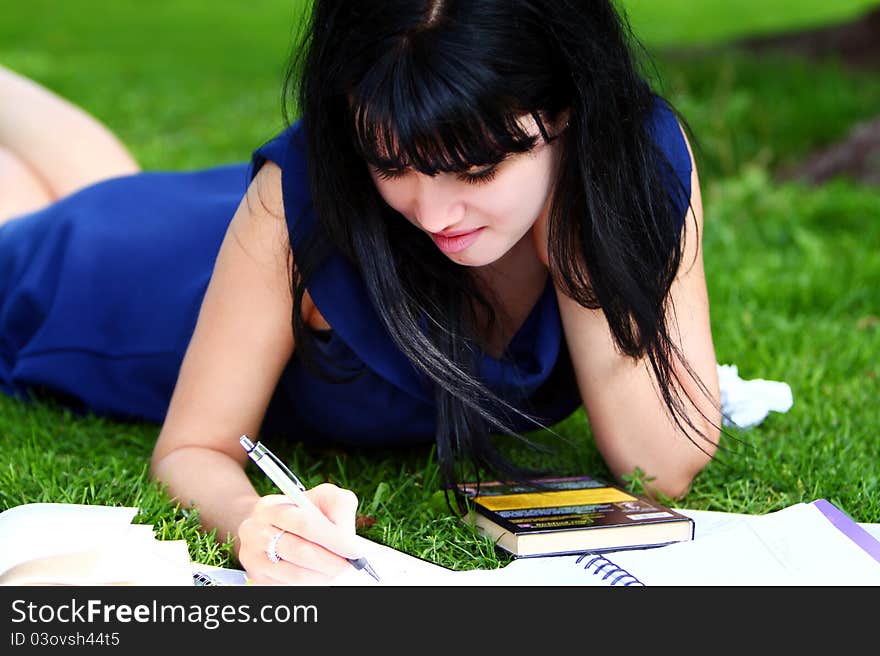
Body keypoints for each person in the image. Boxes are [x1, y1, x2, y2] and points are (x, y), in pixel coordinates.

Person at [0, 0, 721, 584]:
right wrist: (251, 518)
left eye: (475, 172)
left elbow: (660, 462)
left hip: (214, 223)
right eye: (390, 161)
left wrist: (577, 243)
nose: (435, 215)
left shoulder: (631, 153)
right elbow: (191, 447)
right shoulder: (301, 199)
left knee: (108, 187)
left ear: (566, 112)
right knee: (40, 230)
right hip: (113, 285)